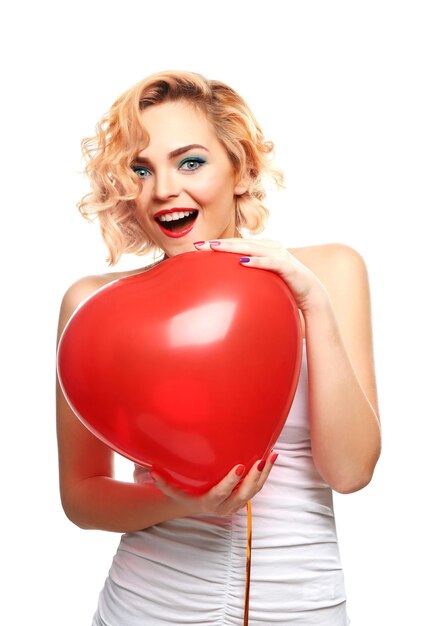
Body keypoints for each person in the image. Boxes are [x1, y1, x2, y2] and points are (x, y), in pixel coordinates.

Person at [56, 70, 381, 626]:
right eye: (141, 169)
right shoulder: (92, 307)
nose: (162, 189)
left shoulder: (327, 272)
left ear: (242, 168)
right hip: (146, 606)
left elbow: (350, 472)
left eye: (190, 161)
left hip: (303, 605)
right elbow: (82, 497)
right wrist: (179, 501)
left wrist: (314, 307)